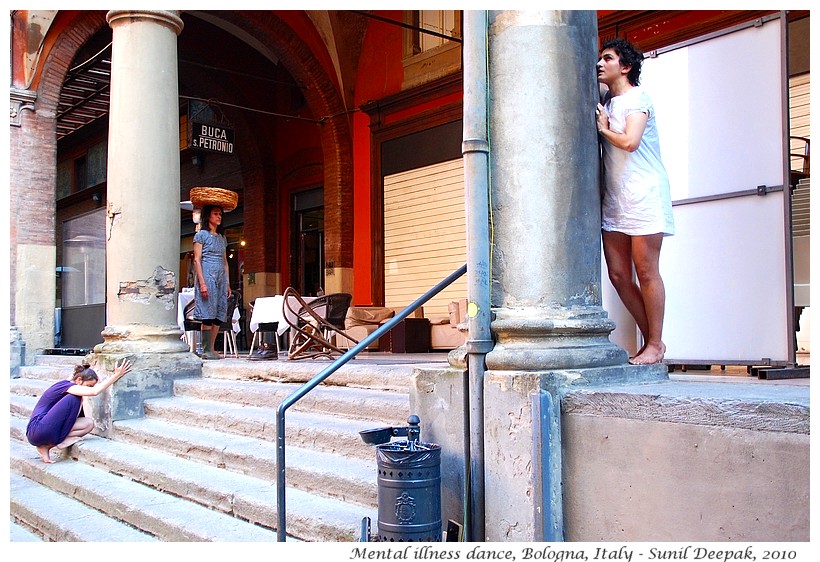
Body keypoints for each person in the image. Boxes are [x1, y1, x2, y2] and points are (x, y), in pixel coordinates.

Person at [595, 37, 674, 365]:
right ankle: (652, 342)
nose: (600, 63)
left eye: (607, 59)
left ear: (624, 67)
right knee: (617, 274)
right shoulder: (606, 100)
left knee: (645, 269)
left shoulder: (638, 97)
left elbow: (629, 141)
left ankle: (654, 344)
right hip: (616, 198)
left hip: (644, 194)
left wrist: (603, 130)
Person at [26, 358, 132, 463]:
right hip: (37, 428)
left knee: (89, 424)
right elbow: (94, 391)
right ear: (79, 380)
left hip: (45, 431)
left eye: (91, 386)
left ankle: (47, 447)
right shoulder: (67, 386)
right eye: (88, 386)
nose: (89, 388)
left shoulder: (71, 385)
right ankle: (58, 441)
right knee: (74, 397)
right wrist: (116, 375)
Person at [192, 204, 231, 360]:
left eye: (220, 214)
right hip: (207, 274)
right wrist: (202, 282)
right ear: (208, 216)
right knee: (208, 312)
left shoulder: (222, 238)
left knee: (219, 312)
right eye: (216, 214)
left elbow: (225, 261)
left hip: (221, 276)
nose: (219, 216)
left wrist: (227, 283)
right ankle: (206, 349)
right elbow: (196, 259)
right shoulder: (201, 235)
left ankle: (212, 348)